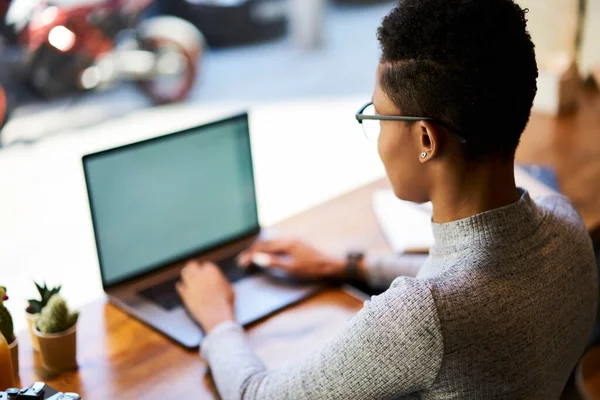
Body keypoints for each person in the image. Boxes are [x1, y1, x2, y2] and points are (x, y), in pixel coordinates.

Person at [176, 0, 598, 398]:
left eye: (378, 116)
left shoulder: (422, 318)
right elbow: (478, 280)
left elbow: (259, 394)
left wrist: (218, 320)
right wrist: (345, 266)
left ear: (426, 139)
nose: (377, 138)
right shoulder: (565, 224)